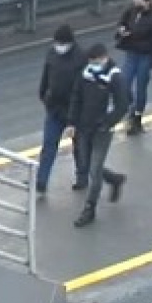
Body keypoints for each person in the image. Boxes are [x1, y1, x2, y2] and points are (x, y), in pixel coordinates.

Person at [66, 43, 128, 228]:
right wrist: (71, 122)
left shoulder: (115, 77)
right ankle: (115, 179)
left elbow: (122, 104)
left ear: (104, 57)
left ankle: (89, 208)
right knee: (86, 164)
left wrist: (107, 123)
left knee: (94, 170)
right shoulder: (86, 74)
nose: (92, 65)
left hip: (101, 130)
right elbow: (76, 97)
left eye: (95, 61)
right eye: (90, 62)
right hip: (84, 128)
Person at [37, 24, 84, 195]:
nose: (58, 47)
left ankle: (82, 177)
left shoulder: (80, 59)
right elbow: (46, 75)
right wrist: (43, 95)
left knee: (79, 147)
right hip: (54, 109)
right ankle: (41, 181)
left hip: (74, 112)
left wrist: (73, 118)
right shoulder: (52, 54)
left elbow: (80, 91)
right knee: (49, 145)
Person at [114, 0, 152, 135]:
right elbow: (121, 23)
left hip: (145, 56)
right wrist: (121, 31)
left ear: (147, 2)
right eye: (134, 1)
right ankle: (131, 109)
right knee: (124, 84)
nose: (135, 4)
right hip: (132, 53)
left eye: (138, 1)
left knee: (141, 88)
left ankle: (137, 118)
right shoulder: (130, 11)